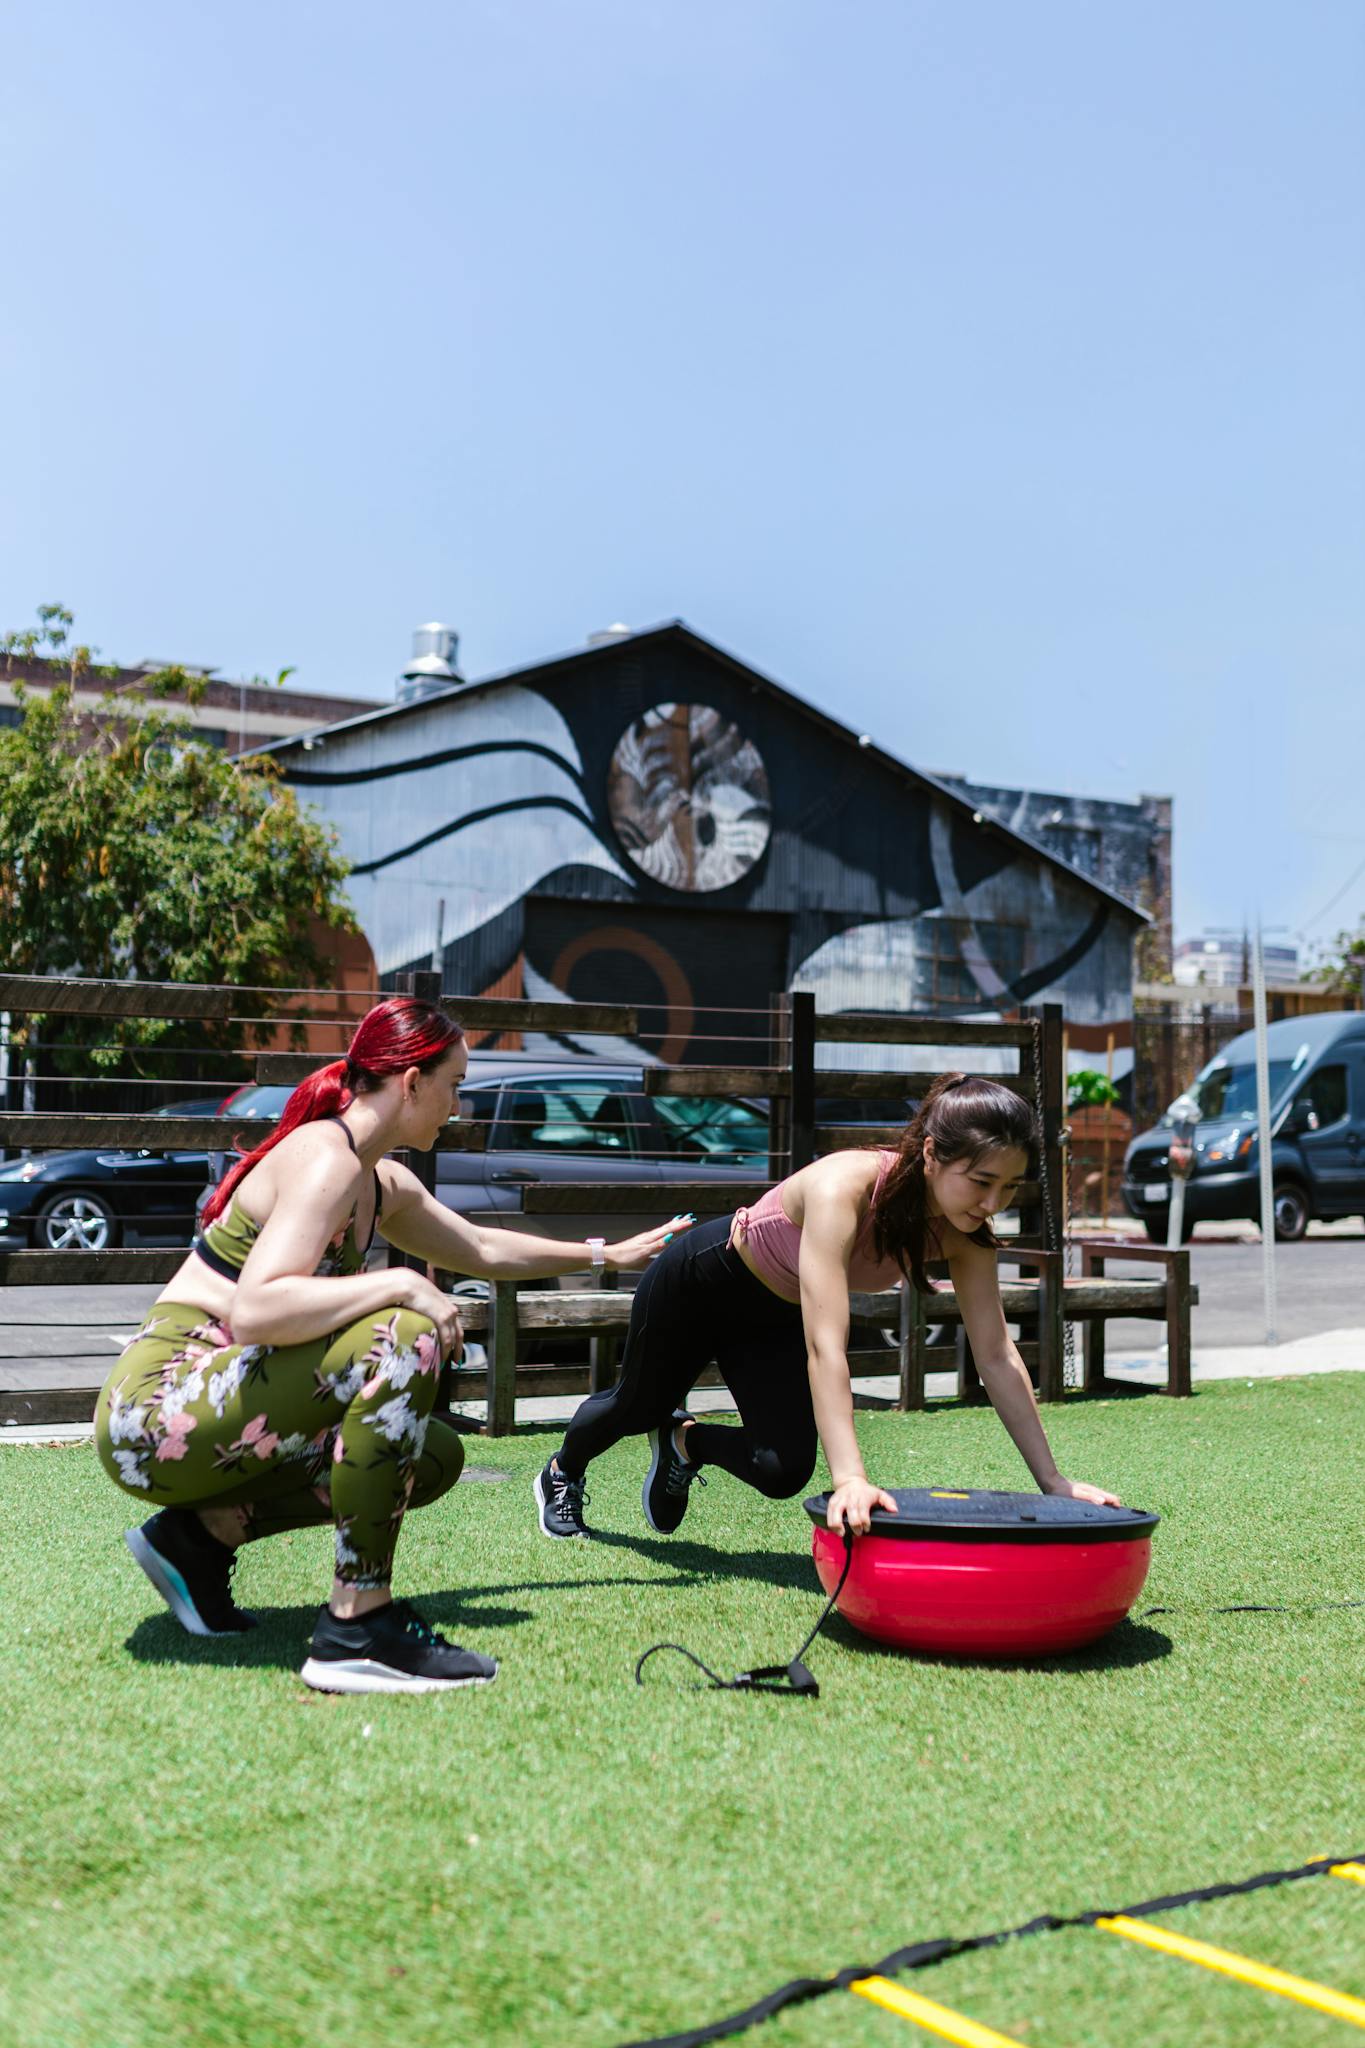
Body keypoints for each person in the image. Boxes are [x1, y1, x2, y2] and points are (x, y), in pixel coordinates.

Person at [96, 997, 690, 1694]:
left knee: (431, 1457)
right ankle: (356, 1627)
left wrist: (605, 1255)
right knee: (401, 1334)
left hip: (218, 1414)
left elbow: (482, 1246)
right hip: (156, 1411)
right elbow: (257, 1310)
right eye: (455, 1086)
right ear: (411, 1081)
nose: (458, 1107)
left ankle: (196, 1540)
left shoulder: (378, 1181)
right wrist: (400, 1287)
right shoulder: (324, 1159)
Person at [534, 1072, 1119, 1543]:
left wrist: (1053, 1481)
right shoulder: (844, 1188)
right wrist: (852, 1479)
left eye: (1011, 1188)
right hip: (705, 1279)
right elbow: (826, 1346)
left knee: (781, 1469)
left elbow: (995, 1354)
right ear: (934, 1155)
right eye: (981, 1181)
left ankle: (684, 1443)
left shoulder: (967, 1236)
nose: (993, 1203)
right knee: (635, 1406)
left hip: (771, 1312)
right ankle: (562, 1471)